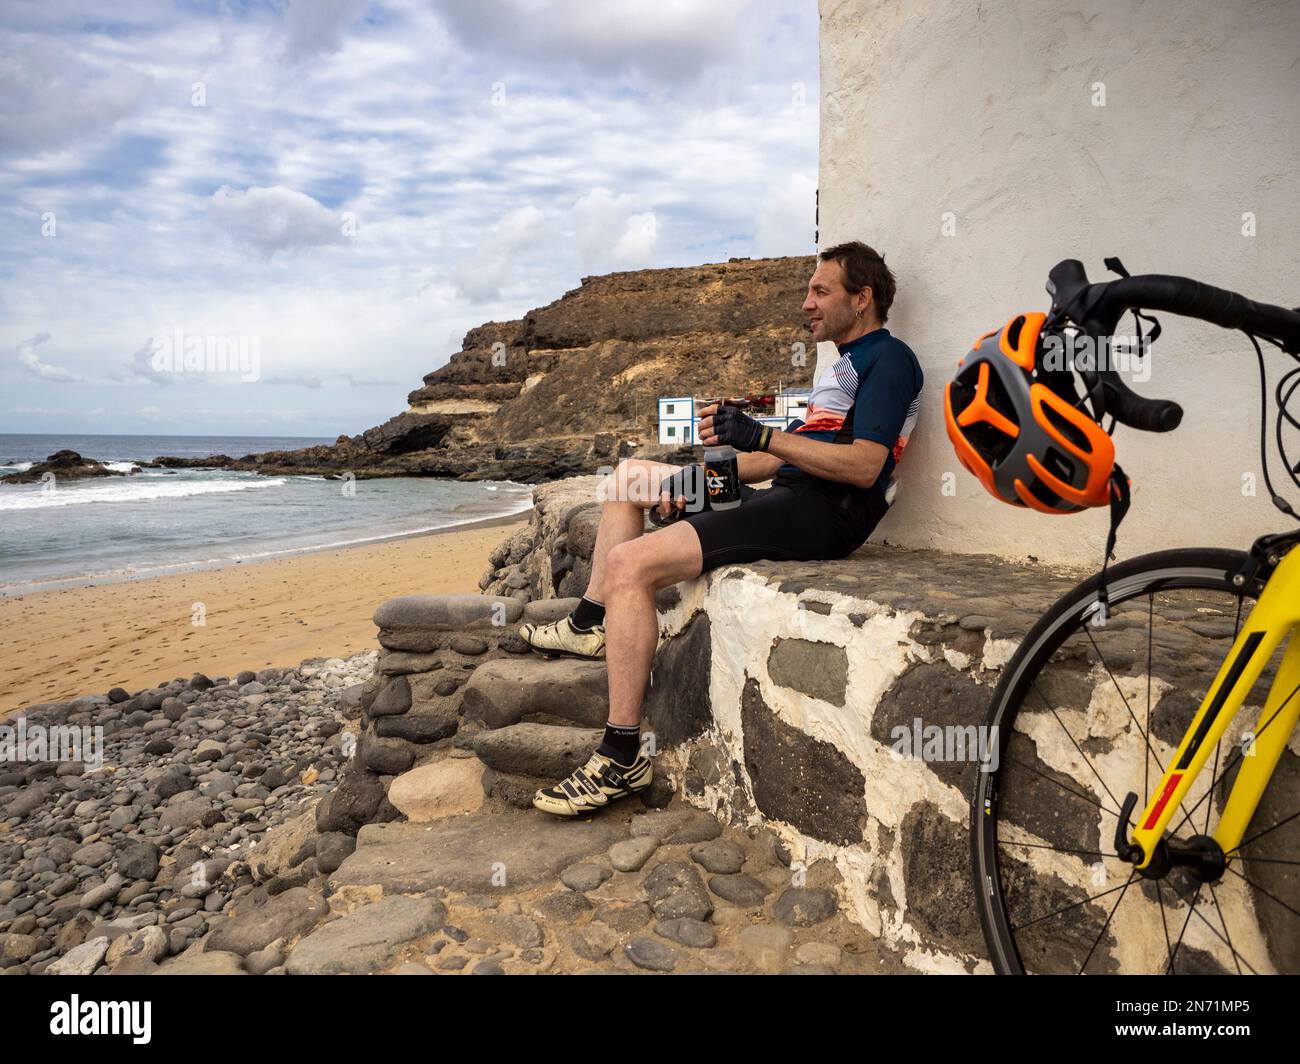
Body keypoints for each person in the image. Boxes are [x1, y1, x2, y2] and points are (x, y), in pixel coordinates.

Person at [520, 241, 923, 816]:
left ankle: (621, 756)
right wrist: (693, 481)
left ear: (862, 300)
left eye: (820, 291)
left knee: (628, 565)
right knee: (632, 479)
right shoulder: (840, 367)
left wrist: (760, 434)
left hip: (820, 516)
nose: (807, 303)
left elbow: (863, 467)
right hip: (789, 493)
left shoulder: (890, 359)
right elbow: (781, 459)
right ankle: (589, 623)